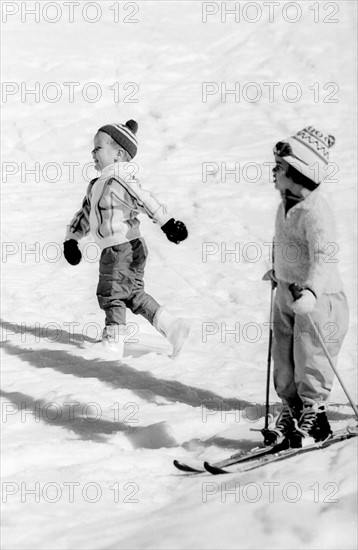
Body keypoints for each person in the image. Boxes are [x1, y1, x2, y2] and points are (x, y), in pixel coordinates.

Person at [63, 120, 190, 358]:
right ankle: (172, 326)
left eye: (98, 148)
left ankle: (112, 342)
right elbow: (84, 215)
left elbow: (143, 198)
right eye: (93, 149)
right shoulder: (96, 185)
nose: (93, 153)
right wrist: (72, 239)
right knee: (131, 294)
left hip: (121, 248)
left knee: (111, 291)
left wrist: (167, 222)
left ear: (119, 153)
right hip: (128, 247)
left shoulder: (118, 180)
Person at [264, 125, 349, 446]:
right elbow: (283, 243)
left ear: (299, 172)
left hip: (319, 297)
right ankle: (292, 408)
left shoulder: (315, 210)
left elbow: (324, 254)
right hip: (287, 293)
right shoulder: (284, 203)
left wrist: (312, 291)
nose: (273, 173)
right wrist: (275, 270)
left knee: (310, 353)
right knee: (283, 354)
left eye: (280, 168)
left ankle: (316, 414)